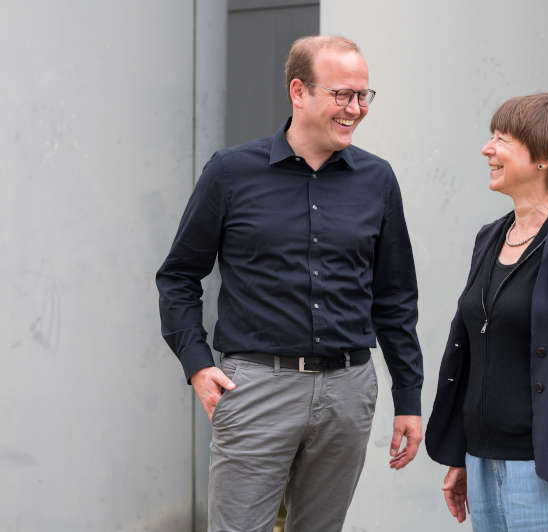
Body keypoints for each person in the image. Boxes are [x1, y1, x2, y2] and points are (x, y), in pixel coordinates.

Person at [156, 35, 424, 532]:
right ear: (299, 92)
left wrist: (408, 398)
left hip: (348, 391)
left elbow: (395, 297)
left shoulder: (378, 179)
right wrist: (197, 364)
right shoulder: (231, 172)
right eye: (342, 95)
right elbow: (178, 277)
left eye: (363, 96)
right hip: (257, 384)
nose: (356, 109)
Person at [425, 93, 548, 532]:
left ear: (547, 155)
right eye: (491, 137)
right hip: (480, 461)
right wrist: (461, 453)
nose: (487, 149)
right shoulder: (490, 237)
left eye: (503, 139)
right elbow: (475, 351)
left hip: (543, 471)